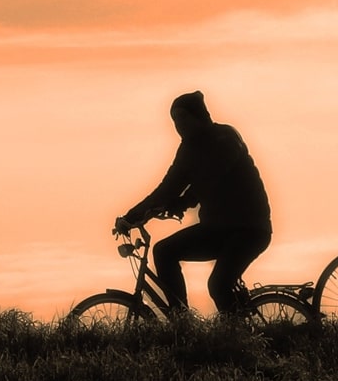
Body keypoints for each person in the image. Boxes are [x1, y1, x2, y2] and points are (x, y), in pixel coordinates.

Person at [114, 91, 273, 316]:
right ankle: (182, 322)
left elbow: (213, 176)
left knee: (218, 284)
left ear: (200, 116)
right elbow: (167, 187)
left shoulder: (225, 137)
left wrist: (183, 202)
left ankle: (239, 339)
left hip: (249, 228)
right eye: (175, 121)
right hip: (217, 229)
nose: (179, 125)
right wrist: (131, 217)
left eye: (183, 118)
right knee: (164, 251)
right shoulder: (188, 149)